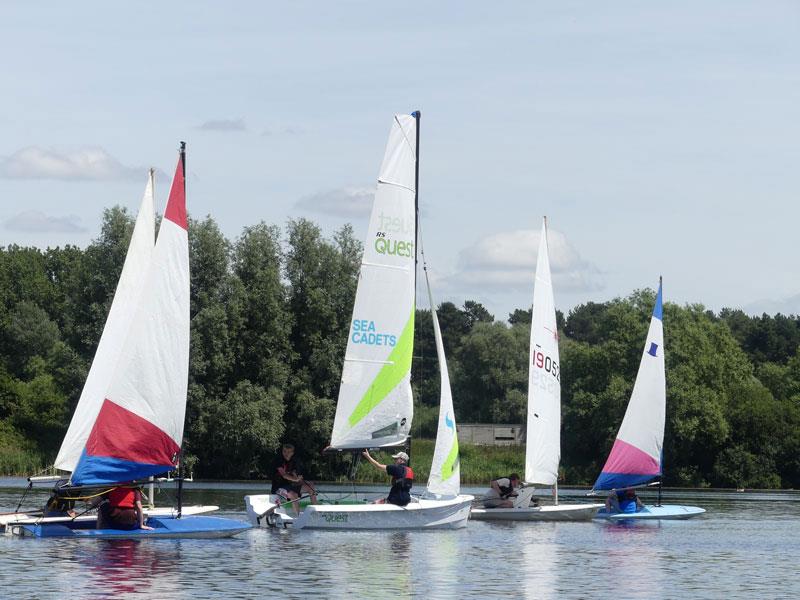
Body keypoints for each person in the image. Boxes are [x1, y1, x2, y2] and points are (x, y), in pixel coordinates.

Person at [271, 443, 318, 514]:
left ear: (292, 453)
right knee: (294, 495)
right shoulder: (278, 460)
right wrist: (295, 479)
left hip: (290, 486)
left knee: (311, 486)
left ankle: (316, 512)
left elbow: (295, 476)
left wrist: (299, 480)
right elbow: (284, 475)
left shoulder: (294, 461)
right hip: (278, 488)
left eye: (289, 452)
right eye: (284, 451)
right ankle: (298, 517)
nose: (286, 453)